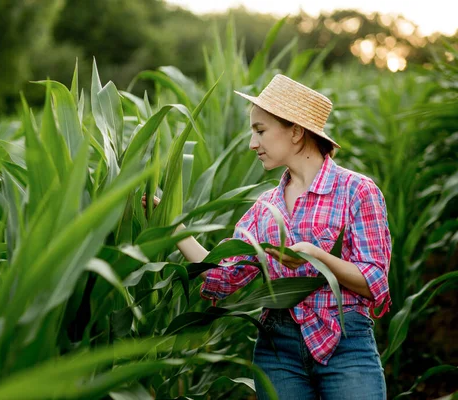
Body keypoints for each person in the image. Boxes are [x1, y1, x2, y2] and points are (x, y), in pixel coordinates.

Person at [142, 74, 392, 400]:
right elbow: (222, 275)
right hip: (278, 349)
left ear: (297, 132)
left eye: (260, 130)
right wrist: (171, 225)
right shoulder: (265, 209)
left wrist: (317, 256)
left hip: (346, 342)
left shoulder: (357, 191)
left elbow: (375, 280)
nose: (252, 143)